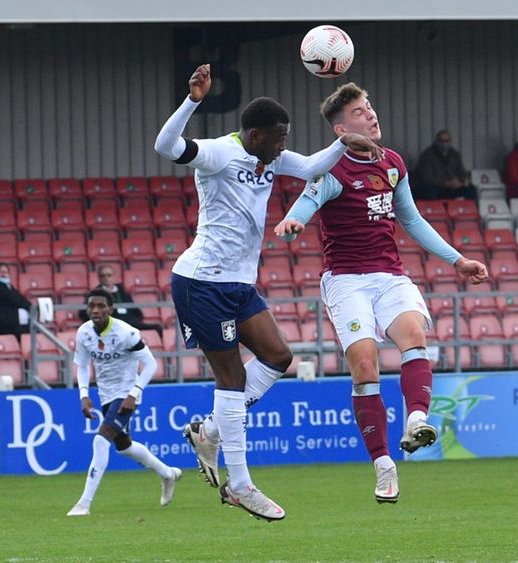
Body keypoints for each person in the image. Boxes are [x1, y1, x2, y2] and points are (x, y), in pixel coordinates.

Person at [153, 64, 382, 521]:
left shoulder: (272, 157)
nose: (283, 146)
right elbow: (166, 146)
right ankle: (239, 485)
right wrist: (193, 100)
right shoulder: (219, 153)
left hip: (238, 284)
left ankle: (210, 431)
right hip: (203, 282)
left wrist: (343, 143)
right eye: (278, 137)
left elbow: (313, 165)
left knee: (279, 358)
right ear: (254, 134)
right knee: (232, 379)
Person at [274, 83, 489, 504]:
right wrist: (292, 222)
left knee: (414, 337)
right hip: (346, 281)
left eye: (369, 106)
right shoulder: (331, 171)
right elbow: (303, 205)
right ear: (341, 129)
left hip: (389, 275)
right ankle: (383, 464)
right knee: (365, 365)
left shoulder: (392, 164)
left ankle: (416, 421)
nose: (370, 115)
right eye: (359, 112)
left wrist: (457, 260)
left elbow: (412, 220)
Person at [66, 288, 182, 516]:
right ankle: (167, 473)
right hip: (106, 395)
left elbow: (151, 365)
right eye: (92, 306)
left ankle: (84, 504)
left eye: (101, 306)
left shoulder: (126, 333)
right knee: (124, 446)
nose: (96, 310)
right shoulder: (84, 333)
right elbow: (81, 365)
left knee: (100, 441)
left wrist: (134, 393)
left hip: (126, 394)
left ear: (111, 308)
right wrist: (83, 394)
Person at [79, 264, 163, 336]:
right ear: (99, 278)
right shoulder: (95, 293)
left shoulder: (122, 291)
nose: (106, 278)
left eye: (109, 275)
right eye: (103, 276)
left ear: (114, 276)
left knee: (157, 328)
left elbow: (135, 310)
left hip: (129, 322)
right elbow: (84, 313)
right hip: (112, 325)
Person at [412, 129, 476, 200]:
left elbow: (461, 171)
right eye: (441, 141)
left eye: (447, 141)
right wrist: (446, 183)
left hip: (451, 188)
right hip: (436, 187)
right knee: (430, 191)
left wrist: (464, 180)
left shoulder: (454, 154)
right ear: (436, 141)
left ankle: (469, 210)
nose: (444, 144)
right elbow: (426, 178)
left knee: (471, 190)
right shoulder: (427, 155)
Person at [0, 263, 31, 336]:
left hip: (7, 321)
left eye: (6, 272)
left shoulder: (8, 286)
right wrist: (28, 307)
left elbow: (19, 298)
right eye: (1, 272)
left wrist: (30, 307)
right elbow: (13, 299)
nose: (3, 275)